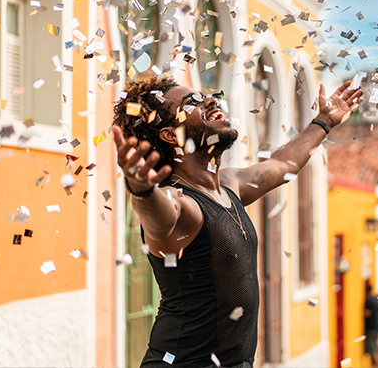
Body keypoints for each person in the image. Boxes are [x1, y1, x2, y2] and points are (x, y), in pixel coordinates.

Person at [112, 76, 362, 367]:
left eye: (204, 95)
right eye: (192, 102)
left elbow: (283, 163)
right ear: (170, 135)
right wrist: (141, 189)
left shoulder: (230, 185)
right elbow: (158, 218)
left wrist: (324, 122)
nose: (210, 100)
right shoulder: (179, 200)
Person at [364, 284, 378, 368]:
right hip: (376, 327)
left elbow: (367, 313)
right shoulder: (374, 299)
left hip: (371, 328)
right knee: (375, 348)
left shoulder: (369, 300)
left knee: (372, 350)